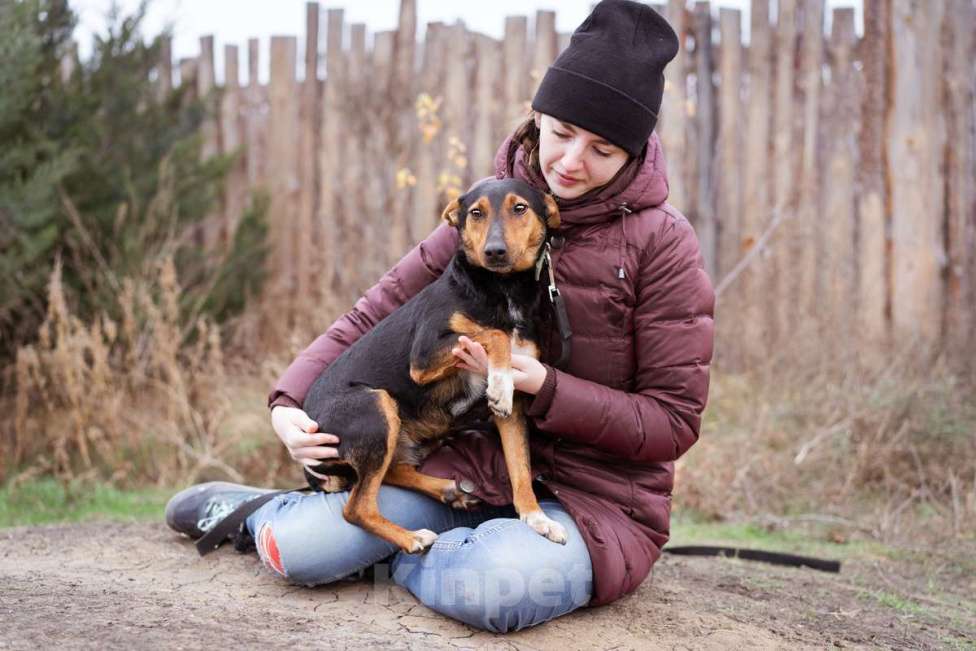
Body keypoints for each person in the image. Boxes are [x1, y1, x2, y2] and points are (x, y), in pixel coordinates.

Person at [166, 0, 713, 634]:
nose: (570, 162)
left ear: (634, 154)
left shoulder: (663, 245)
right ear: (537, 119)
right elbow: (377, 312)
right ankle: (266, 513)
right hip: (466, 472)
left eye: (603, 150)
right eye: (561, 133)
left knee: (495, 589)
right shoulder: (486, 213)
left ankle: (401, 553)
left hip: (597, 501)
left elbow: (672, 421)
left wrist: (544, 385)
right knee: (309, 552)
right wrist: (288, 402)